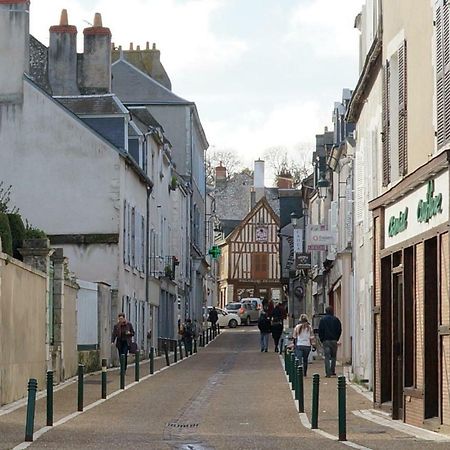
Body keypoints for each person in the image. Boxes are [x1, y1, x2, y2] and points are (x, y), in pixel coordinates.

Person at [318, 306, 342, 377]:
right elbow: (339, 329)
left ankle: (328, 373)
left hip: (326, 340)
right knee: (334, 356)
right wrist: (337, 338)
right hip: (334, 340)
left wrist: (322, 339)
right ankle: (332, 371)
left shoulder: (323, 320)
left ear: (326, 311)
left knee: (327, 357)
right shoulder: (336, 319)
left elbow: (320, 330)